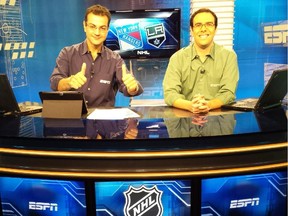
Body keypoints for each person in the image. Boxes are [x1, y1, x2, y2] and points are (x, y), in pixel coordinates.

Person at [50, 4, 143, 107]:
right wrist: (69, 82)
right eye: (92, 26)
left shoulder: (115, 59)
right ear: (84, 26)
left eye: (102, 28)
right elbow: (55, 83)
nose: (97, 32)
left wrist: (132, 88)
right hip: (73, 119)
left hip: (104, 120)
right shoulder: (67, 53)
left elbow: (129, 87)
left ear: (107, 30)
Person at [163, 8, 239, 113]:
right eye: (198, 25)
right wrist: (190, 106)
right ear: (192, 29)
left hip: (218, 121)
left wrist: (208, 105)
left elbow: (228, 93)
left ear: (215, 29)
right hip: (186, 121)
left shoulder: (228, 56)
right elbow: (170, 93)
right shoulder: (177, 58)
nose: (203, 29)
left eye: (209, 24)